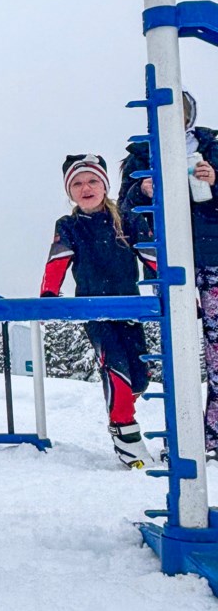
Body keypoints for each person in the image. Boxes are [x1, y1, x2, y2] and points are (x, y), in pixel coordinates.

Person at [41, 154, 158, 469]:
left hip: (129, 307)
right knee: (116, 369)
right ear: (70, 192)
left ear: (104, 186)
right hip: (95, 310)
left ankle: (122, 411)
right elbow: (58, 259)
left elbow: (151, 254)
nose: (85, 188)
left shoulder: (127, 218)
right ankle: (124, 429)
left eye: (92, 181)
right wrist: (49, 294)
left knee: (140, 378)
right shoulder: (69, 225)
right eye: (77, 184)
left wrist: (170, 285)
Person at [119, 89, 218, 461]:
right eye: (165, 111)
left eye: (181, 111)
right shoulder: (141, 154)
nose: (173, 119)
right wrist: (142, 189)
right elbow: (125, 208)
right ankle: (181, 437)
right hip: (167, 260)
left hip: (211, 256)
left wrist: (215, 179)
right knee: (177, 351)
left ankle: (211, 437)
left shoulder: (210, 144)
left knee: (217, 351)